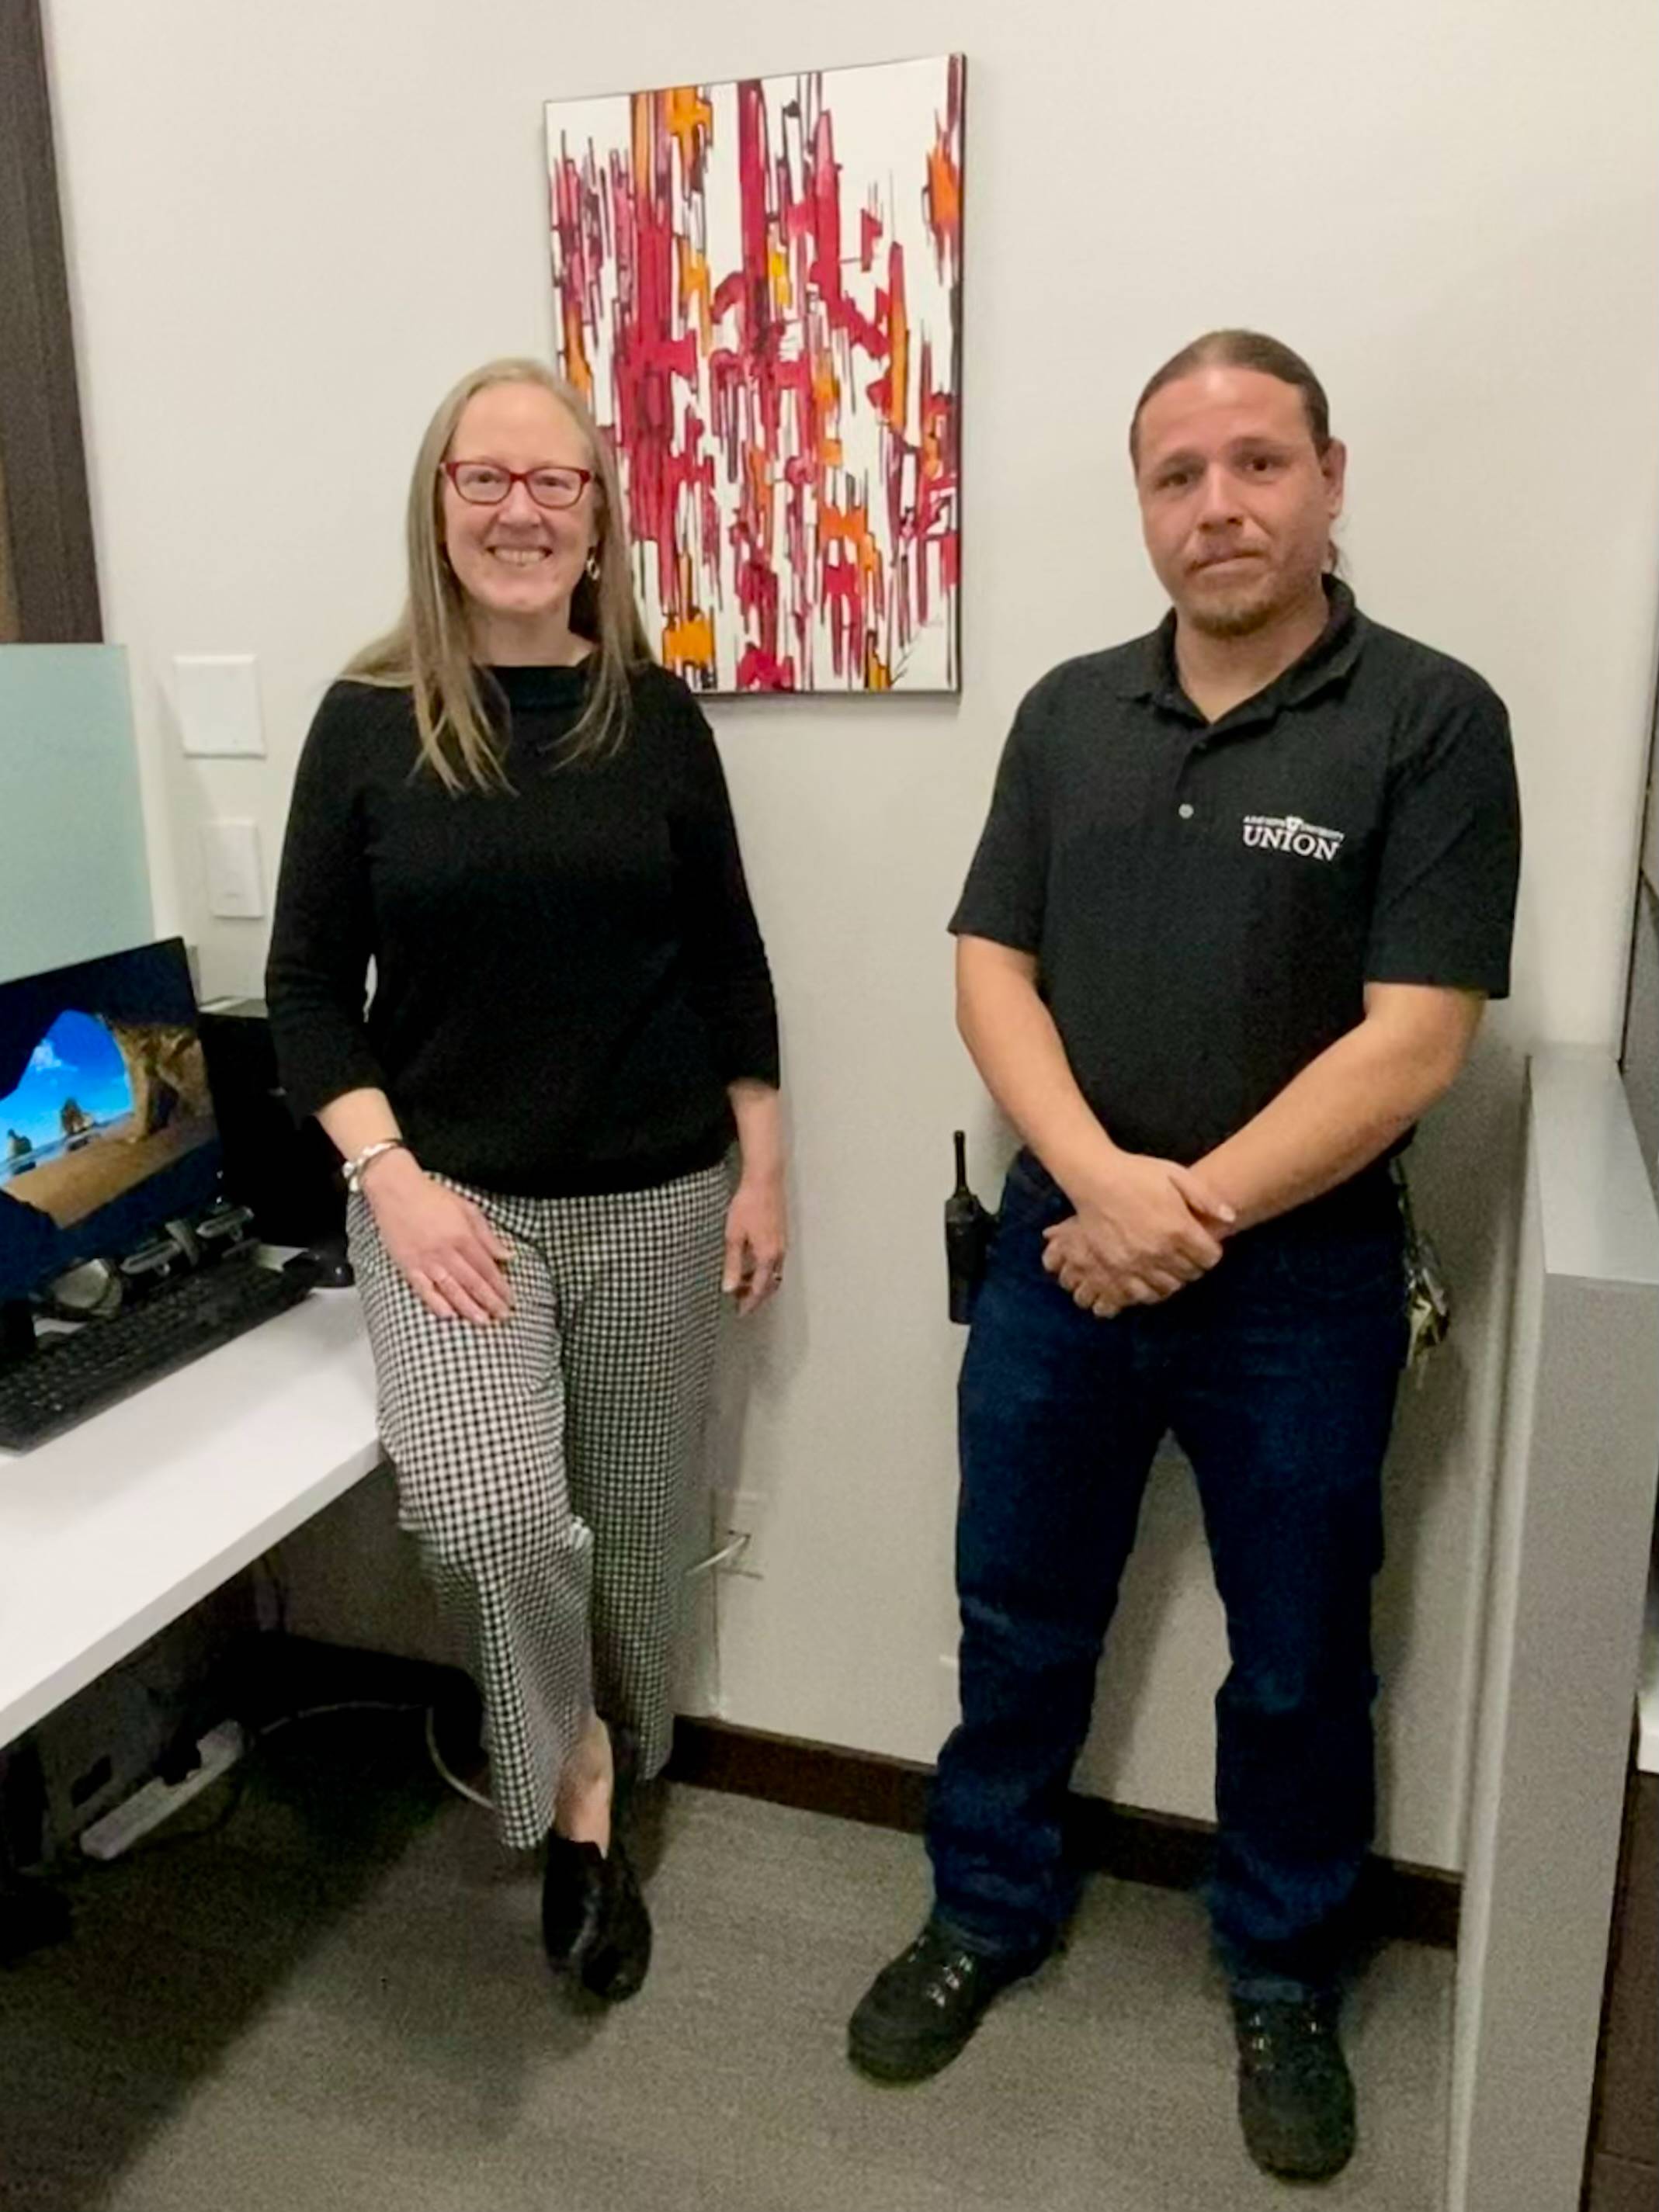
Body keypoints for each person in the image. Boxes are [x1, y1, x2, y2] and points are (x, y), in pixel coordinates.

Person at [847, 331, 1520, 2183]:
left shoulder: (1431, 718)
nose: (1217, 504)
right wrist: (1098, 1190)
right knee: (1015, 1610)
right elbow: (992, 965)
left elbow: (1417, 1038)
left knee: (1298, 1655)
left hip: (1298, 1292)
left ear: (1328, 477)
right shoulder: (1068, 711)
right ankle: (985, 1908)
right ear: (1139, 502)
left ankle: (1283, 1969)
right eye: (1176, 473)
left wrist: (1186, 1208)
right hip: (1062, 1258)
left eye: (1255, 463)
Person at [266, 356, 783, 2004]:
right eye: (482, 479)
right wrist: (394, 1181)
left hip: (656, 1197)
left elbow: (728, 962)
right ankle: (572, 1801)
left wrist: (763, 1170)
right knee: (494, 1515)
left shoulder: (655, 714)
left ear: (597, 514)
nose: (516, 509)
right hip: (450, 1207)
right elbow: (298, 994)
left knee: (636, 1546)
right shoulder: (363, 727)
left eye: (549, 482)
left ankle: (620, 1754)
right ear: (438, 507)